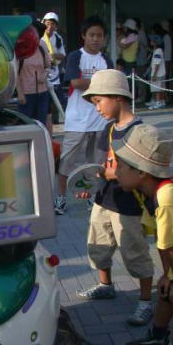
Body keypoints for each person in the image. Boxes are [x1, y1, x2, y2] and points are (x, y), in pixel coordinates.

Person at [75, 69, 154, 326]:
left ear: (118, 97)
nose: (97, 108)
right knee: (98, 244)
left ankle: (145, 301)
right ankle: (105, 285)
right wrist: (90, 182)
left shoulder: (141, 133)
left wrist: (110, 173)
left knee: (134, 253)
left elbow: (144, 173)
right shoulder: (108, 129)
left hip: (129, 206)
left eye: (99, 101)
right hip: (104, 199)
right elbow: (102, 163)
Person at [114, 125, 173, 345]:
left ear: (141, 172)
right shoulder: (147, 193)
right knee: (167, 290)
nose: (115, 172)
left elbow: (171, 247)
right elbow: (164, 243)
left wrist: (171, 276)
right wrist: (167, 275)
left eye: (120, 167)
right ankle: (159, 337)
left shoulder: (167, 196)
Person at [54, 15, 113, 215]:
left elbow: (112, 84)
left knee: (95, 163)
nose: (95, 39)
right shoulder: (75, 56)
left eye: (99, 35)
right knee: (67, 162)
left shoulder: (106, 59)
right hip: (77, 120)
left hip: (101, 120)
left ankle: (92, 197)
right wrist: (101, 81)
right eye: (92, 35)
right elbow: (75, 83)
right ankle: (60, 198)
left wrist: (93, 82)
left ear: (104, 38)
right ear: (83, 36)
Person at [16, 20, 50, 126]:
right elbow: (15, 73)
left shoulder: (42, 45)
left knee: (41, 123)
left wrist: (44, 75)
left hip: (42, 92)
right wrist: (20, 93)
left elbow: (48, 66)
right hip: (26, 93)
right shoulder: (20, 47)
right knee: (26, 123)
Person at [41, 12, 66, 136]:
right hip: (42, 76)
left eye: (52, 24)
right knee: (45, 107)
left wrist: (52, 55)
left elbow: (62, 55)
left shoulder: (58, 38)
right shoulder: (39, 37)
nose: (50, 27)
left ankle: (56, 124)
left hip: (55, 75)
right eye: (48, 23)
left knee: (58, 101)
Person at [147, 34, 166, 110]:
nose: (150, 41)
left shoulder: (158, 51)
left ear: (155, 42)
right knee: (160, 88)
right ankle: (161, 102)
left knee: (157, 89)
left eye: (152, 40)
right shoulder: (158, 50)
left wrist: (154, 75)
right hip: (160, 73)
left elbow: (157, 64)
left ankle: (158, 102)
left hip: (158, 74)